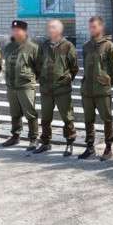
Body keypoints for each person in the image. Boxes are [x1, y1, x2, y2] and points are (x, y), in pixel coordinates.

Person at [79, 16, 113, 160]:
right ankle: (90, 147)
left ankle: (108, 148)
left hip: (102, 90)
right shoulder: (86, 46)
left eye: (95, 27)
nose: (92, 29)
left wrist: (107, 82)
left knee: (107, 119)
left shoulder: (109, 46)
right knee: (88, 120)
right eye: (90, 27)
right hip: (87, 90)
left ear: (101, 27)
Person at [35, 19, 79, 155]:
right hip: (46, 89)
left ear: (60, 30)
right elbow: (38, 63)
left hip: (62, 89)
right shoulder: (43, 46)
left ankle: (69, 143)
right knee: (45, 118)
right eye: (49, 27)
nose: (50, 30)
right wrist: (40, 77)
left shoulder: (68, 46)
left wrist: (68, 78)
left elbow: (74, 67)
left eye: (53, 27)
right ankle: (46, 143)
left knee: (67, 117)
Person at [1, 20, 41, 150]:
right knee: (14, 112)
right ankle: (15, 136)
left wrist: (31, 79)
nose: (15, 32)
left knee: (30, 112)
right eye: (14, 30)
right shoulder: (8, 47)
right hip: (11, 85)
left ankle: (34, 138)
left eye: (18, 30)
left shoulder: (33, 47)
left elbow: (38, 67)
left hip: (25, 85)